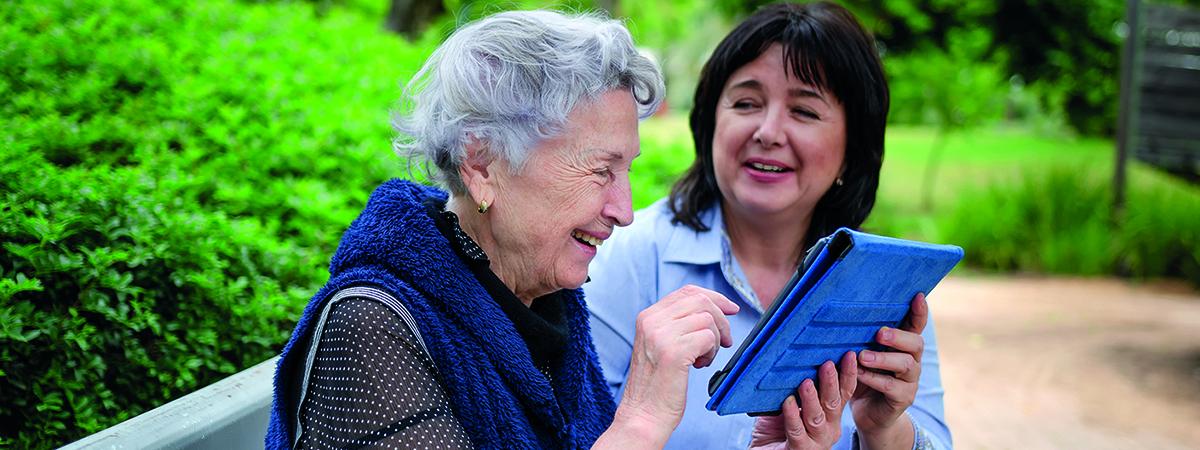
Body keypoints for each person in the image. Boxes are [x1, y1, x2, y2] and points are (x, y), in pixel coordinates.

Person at [265, 10, 856, 450]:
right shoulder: (370, 331)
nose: (624, 211)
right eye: (600, 170)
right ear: (482, 163)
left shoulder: (547, 304)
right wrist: (641, 422)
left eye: (627, 171)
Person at [585, 2, 950, 450]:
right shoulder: (626, 254)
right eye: (746, 103)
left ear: (853, 146)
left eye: (804, 111)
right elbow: (567, 432)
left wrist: (885, 430)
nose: (768, 131)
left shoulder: (884, 286)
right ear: (709, 122)